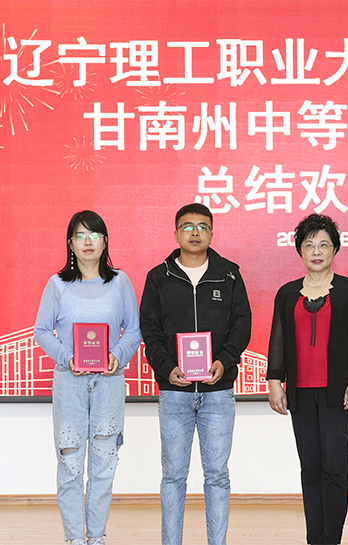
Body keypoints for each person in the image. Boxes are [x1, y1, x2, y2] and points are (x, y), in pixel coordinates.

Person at [139, 203, 252, 545]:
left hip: (218, 392)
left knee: (217, 475)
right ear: (176, 233)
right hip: (174, 392)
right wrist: (167, 368)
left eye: (202, 226)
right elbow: (150, 330)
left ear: (212, 233)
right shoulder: (159, 277)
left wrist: (225, 361)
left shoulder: (229, 275)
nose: (195, 232)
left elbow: (241, 325)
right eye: (187, 226)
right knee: (173, 476)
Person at [34, 210, 142, 545]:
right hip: (69, 383)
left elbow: (133, 330)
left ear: (105, 241)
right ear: (70, 243)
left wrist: (117, 355)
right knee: (69, 463)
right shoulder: (57, 285)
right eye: (80, 235)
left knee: (104, 464)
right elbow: (42, 331)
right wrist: (67, 357)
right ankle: (73, 538)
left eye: (94, 234)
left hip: (109, 382)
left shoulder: (120, 282)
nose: (87, 241)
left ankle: (95, 537)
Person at [266, 214, 348, 545]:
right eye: (309, 245)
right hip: (300, 393)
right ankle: (315, 538)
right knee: (310, 468)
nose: (316, 251)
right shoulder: (287, 294)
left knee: (335, 468)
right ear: (299, 250)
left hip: (338, 393)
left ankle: (332, 538)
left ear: (335, 249)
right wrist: (274, 382)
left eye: (324, 244)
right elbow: (278, 340)